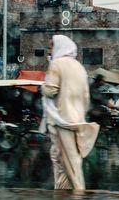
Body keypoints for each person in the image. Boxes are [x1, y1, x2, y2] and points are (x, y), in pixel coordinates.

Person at [41, 34, 99, 190]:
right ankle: (61, 190)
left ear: (59, 46)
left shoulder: (57, 64)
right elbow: (86, 96)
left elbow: (51, 90)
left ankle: (78, 191)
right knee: (59, 157)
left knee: (70, 162)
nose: (49, 50)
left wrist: (42, 86)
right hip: (77, 119)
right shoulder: (79, 67)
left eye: (51, 47)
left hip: (62, 120)